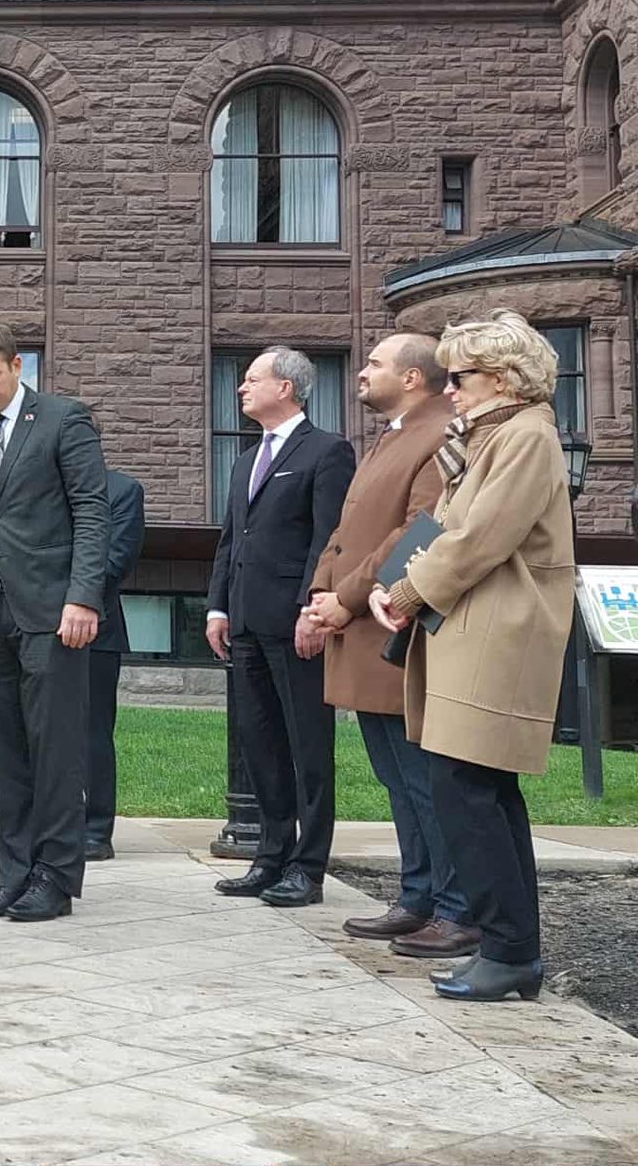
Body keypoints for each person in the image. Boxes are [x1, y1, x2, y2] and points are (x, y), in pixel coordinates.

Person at [369, 311, 576, 1003]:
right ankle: (509, 949)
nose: (449, 388)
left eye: (460, 376)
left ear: (505, 377)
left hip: (497, 630)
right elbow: (444, 527)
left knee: (467, 790)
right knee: (476, 789)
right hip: (469, 626)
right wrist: (391, 584)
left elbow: (480, 537)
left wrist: (404, 592)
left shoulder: (524, 435)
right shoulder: (490, 435)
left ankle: (509, 951)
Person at [0, 319, 109, 923]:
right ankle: (14, 874)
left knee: (53, 746)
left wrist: (83, 597)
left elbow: (92, 511)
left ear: (16, 366)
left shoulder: (63, 419)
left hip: (53, 609)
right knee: (5, 748)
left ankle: (54, 877)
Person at [301, 333, 475, 959]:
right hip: (361, 623)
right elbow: (348, 529)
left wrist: (345, 597)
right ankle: (418, 896)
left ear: (411, 378)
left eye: (374, 364)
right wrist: (322, 592)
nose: (361, 372)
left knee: (423, 779)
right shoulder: (394, 434)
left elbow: (416, 532)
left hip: (396, 627)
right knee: (397, 780)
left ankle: (456, 909)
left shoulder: (439, 433)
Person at [206, 346, 354, 908]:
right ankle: (269, 856)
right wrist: (217, 608)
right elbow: (231, 538)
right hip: (245, 620)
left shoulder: (327, 451)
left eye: (252, 379)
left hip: (295, 623)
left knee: (306, 746)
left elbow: (328, 539)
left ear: (285, 387)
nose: (241, 388)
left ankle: (307, 867)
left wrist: (311, 609)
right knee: (260, 744)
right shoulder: (246, 459)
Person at [84, 463, 146, 862]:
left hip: (96, 628)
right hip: (34, 626)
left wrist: (67, 596)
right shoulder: (41, 486)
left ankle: (95, 830)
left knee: (91, 732)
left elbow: (116, 559)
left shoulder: (122, 490)